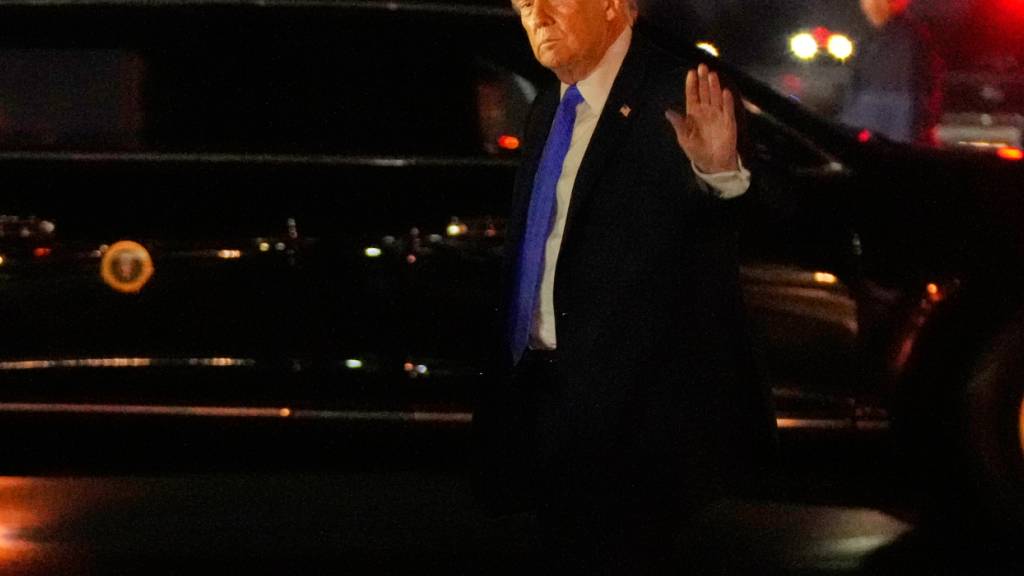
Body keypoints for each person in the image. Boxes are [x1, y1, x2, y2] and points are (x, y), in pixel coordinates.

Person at [472, 0, 777, 572]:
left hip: (634, 421)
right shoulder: (549, 107)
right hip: (549, 402)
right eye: (520, 3)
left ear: (613, 5)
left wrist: (721, 174)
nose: (534, 14)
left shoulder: (677, 92)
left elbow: (755, 234)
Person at [840, 0, 944, 145]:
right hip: (886, 122)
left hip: (894, 124)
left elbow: (925, 86)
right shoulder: (873, 38)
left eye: (872, 3)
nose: (866, 8)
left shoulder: (908, 37)